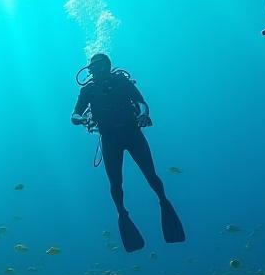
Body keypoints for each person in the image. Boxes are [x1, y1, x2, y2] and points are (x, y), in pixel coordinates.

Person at [72, 54, 184, 252]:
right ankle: (121, 212)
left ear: (108, 66)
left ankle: (163, 201)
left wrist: (143, 115)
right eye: (95, 69)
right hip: (109, 138)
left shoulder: (121, 82)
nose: (99, 72)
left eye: (102, 67)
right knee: (115, 183)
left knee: (151, 175)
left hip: (132, 132)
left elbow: (141, 101)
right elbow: (75, 114)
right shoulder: (87, 90)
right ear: (90, 71)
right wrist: (82, 120)